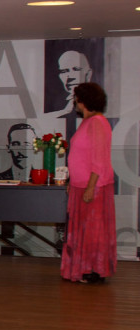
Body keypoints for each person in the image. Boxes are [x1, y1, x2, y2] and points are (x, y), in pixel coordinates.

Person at [61, 82, 116, 283]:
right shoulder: (88, 122)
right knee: (82, 230)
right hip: (80, 184)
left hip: (94, 186)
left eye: (76, 97)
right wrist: (72, 180)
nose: (75, 101)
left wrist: (91, 186)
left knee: (93, 231)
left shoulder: (97, 123)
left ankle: (93, 270)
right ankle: (83, 268)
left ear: (82, 100)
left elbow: (99, 159)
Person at [54, 51, 94, 117]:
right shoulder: (58, 104)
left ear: (88, 74)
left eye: (76, 69)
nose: (70, 77)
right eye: (64, 71)